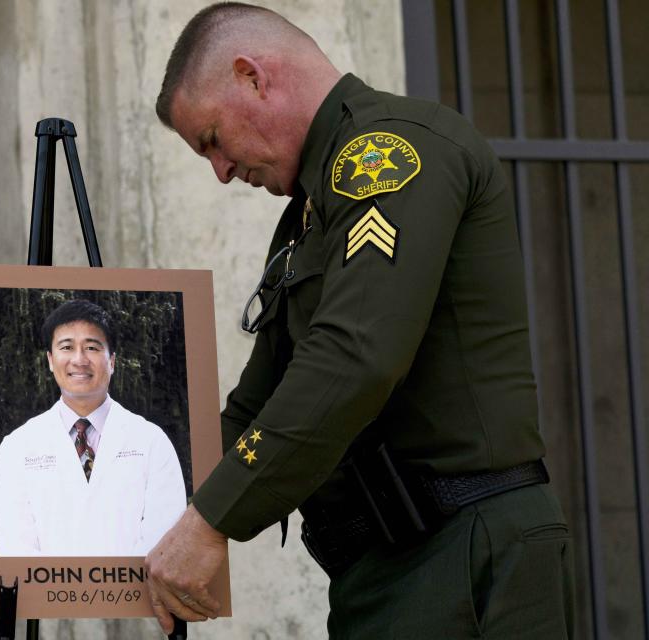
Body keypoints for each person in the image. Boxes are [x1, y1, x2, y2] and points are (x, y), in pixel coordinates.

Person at [145, 3, 574, 638]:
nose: (222, 171)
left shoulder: (388, 152)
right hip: (384, 570)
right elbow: (256, 407)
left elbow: (355, 357)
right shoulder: (306, 220)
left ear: (251, 77)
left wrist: (212, 519)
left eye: (212, 139)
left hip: (461, 555)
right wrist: (136, 495)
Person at [0, 298, 187, 557]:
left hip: (135, 597)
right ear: (50, 360)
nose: (79, 360)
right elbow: (17, 549)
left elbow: (164, 539)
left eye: (92, 347)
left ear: (112, 361)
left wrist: (113, 594)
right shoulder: (18, 447)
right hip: (48, 597)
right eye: (67, 347)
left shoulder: (151, 441)